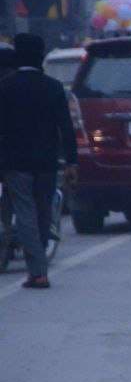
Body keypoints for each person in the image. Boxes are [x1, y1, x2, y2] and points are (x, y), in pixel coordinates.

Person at [0, 33, 78, 289]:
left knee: (25, 213)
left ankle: (38, 271)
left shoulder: (5, 87)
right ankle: (39, 259)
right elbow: (66, 127)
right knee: (43, 212)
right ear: (41, 56)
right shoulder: (54, 87)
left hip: (15, 163)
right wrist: (71, 162)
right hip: (47, 163)